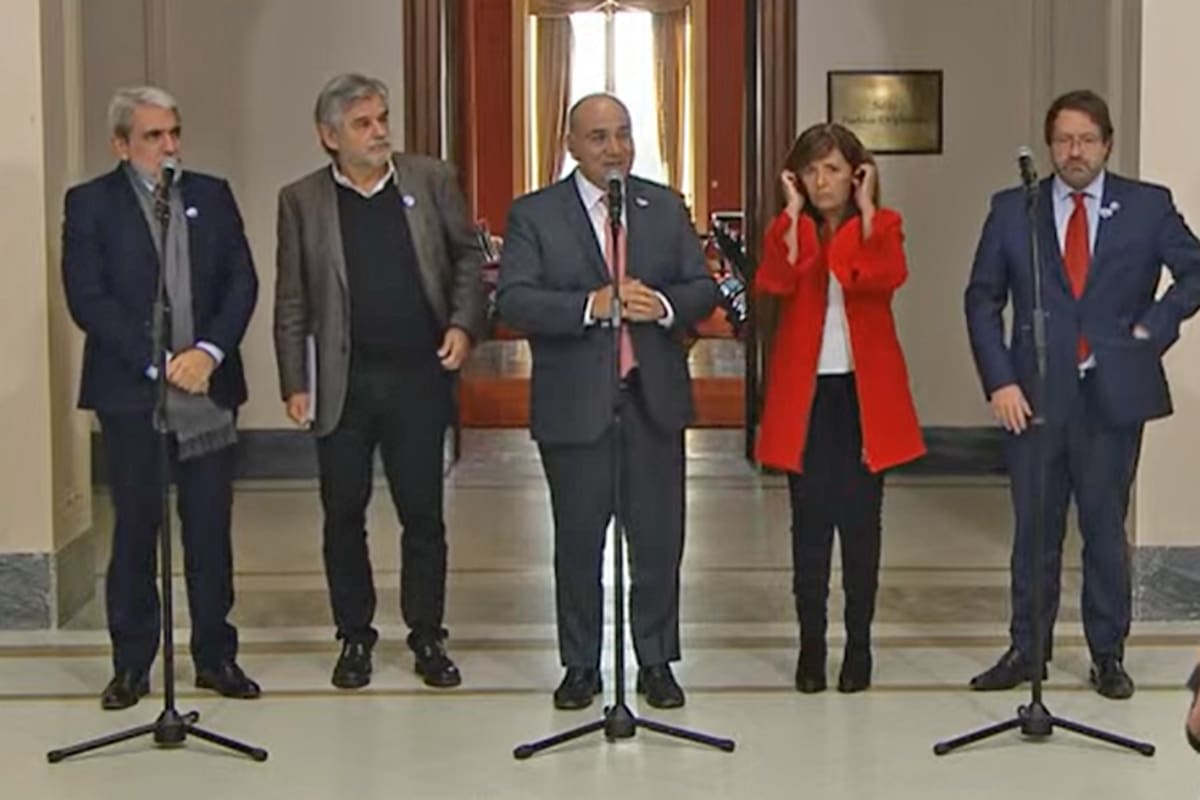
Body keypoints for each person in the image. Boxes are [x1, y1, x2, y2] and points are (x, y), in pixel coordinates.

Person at [965, 90, 1200, 698]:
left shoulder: (1147, 207)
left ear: (1107, 144)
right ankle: (1027, 649)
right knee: (1033, 533)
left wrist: (1153, 328)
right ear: (1049, 146)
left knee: (1103, 529)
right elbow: (982, 298)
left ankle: (1107, 654)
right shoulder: (1015, 208)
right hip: (1034, 398)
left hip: (1112, 395)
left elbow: (1195, 269)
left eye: (1087, 140)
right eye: (1064, 140)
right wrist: (1001, 379)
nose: (1075, 151)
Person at [496, 93, 718, 710]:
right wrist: (589, 305)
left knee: (658, 540)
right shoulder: (535, 214)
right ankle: (579, 665)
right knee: (577, 542)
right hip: (575, 406)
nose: (614, 148)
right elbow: (513, 299)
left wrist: (667, 306)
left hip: (653, 402)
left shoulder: (664, 206)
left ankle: (655, 660)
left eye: (623, 134)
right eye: (598, 137)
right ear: (571, 145)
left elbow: (702, 286)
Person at [273, 74, 485, 690]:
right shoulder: (301, 200)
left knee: (423, 514)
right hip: (343, 381)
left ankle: (427, 636)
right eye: (363, 124)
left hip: (420, 374)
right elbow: (292, 299)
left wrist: (464, 325)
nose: (380, 132)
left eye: (382, 119)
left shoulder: (430, 180)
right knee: (343, 513)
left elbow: (469, 257)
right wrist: (294, 380)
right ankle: (355, 638)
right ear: (328, 135)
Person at [62, 86, 260, 709]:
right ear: (122, 145)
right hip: (132, 394)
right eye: (153, 137)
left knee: (207, 529)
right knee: (136, 529)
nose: (169, 147)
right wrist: (159, 363)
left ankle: (215, 655)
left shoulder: (210, 195)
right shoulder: (90, 204)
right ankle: (131, 664)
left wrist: (208, 353)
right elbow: (88, 298)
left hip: (207, 387)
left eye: (174, 132)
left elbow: (241, 280)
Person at [754, 123, 925, 694]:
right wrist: (796, 219)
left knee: (860, 528)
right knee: (808, 528)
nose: (822, 181)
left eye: (832, 169)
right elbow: (777, 281)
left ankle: (859, 645)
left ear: (856, 173)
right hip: (806, 396)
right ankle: (810, 646)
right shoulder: (787, 230)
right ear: (796, 178)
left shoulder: (885, 226)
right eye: (811, 171)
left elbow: (879, 277)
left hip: (862, 395)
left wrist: (868, 214)